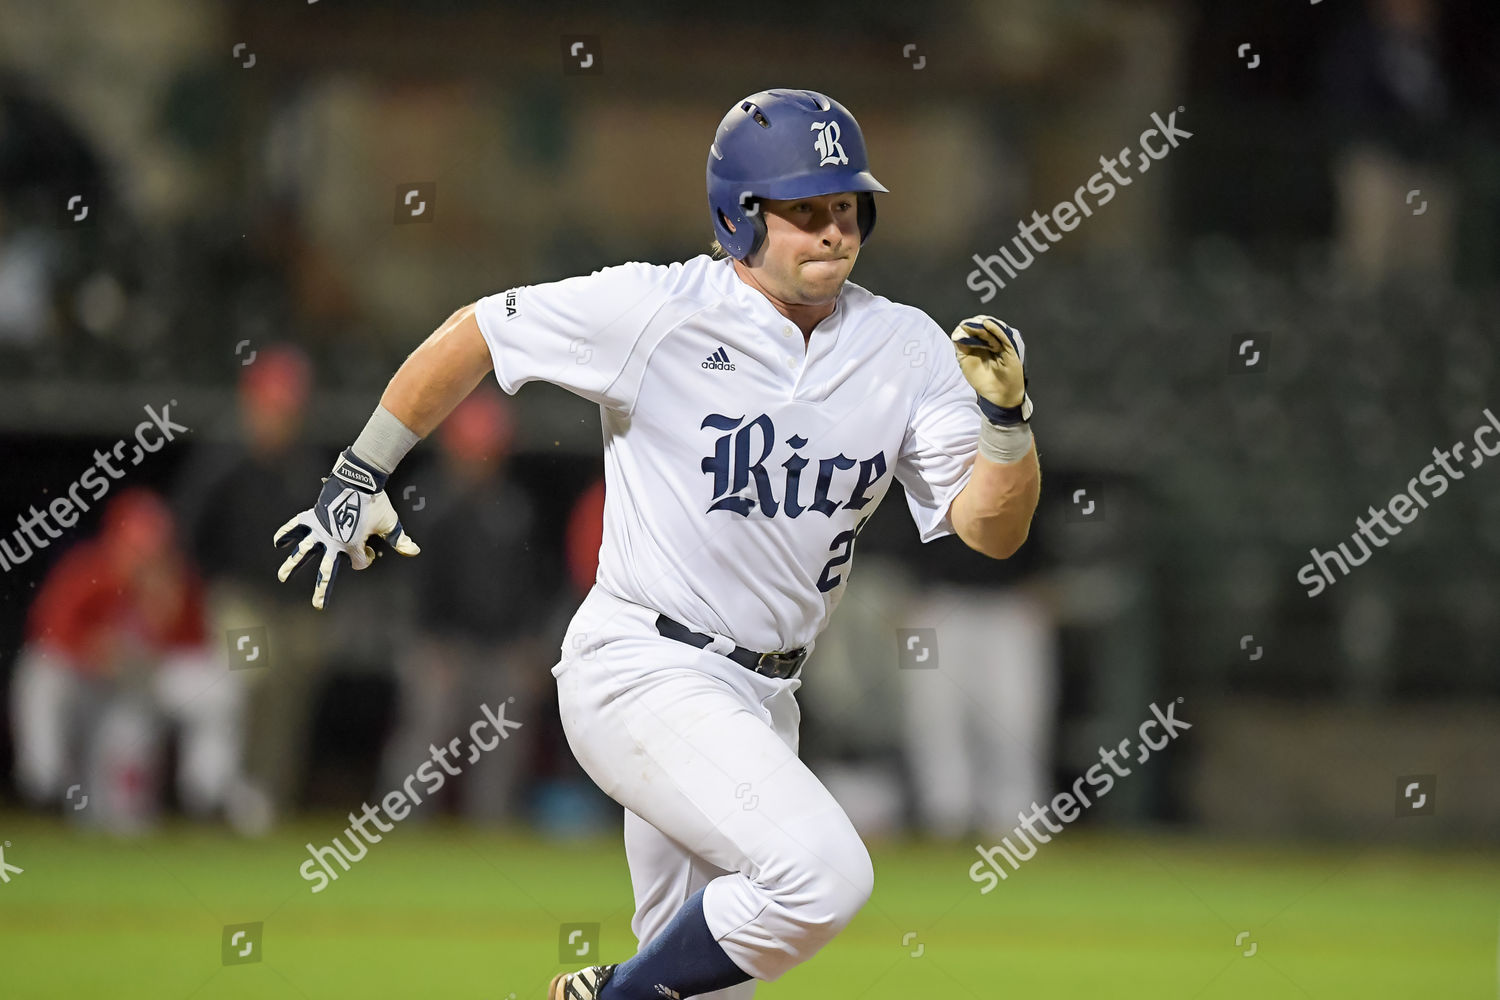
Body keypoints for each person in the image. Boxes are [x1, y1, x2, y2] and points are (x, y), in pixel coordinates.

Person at [273, 89, 1041, 1000]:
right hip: (644, 667)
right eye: (804, 209)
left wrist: (1007, 423)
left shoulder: (905, 347)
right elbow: (478, 330)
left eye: (847, 206)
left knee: (716, 982)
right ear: (737, 216)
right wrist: (362, 470)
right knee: (826, 876)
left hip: (764, 696)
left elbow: (991, 529)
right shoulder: (657, 309)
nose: (833, 231)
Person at [10, 488, 245, 832]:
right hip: (84, 684)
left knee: (123, 818)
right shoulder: (87, 571)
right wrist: (92, 648)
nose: (145, 556)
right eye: (136, 545)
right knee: (39, 674)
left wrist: (166, 618)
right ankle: (43, 786)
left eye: (153, 546)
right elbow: (46, 630)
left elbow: (198, 653)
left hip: (137, 691)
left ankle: (209, 796)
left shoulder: (176, 580)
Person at [377, 387, 549, 822]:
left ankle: (490, 829)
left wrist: (529, 646)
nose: (480, 461)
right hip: (439, 646)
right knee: (427, 735)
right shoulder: (428, 503)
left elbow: (531, 586)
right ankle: (401, 828)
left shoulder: (514, 507)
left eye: (488, 451)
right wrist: (429, 645)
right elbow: (410, 587)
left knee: (504, 735)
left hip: (501, 648)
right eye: (474, 450)